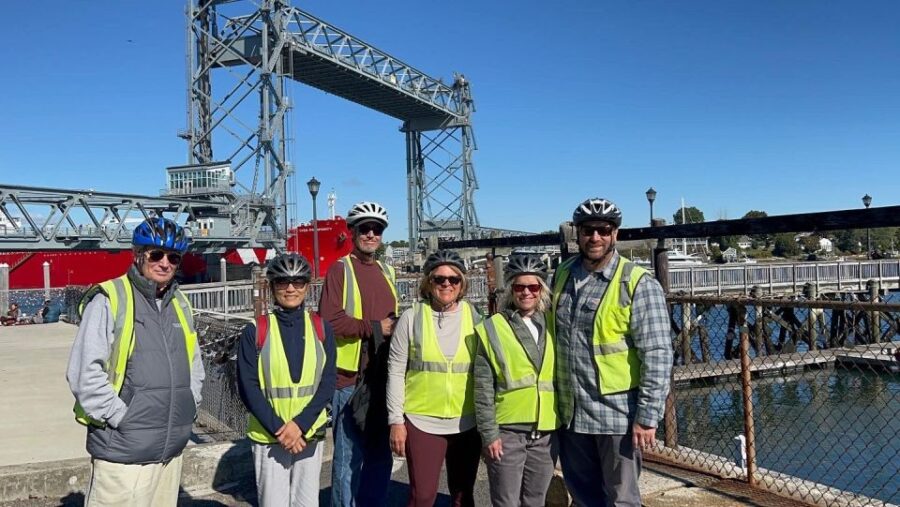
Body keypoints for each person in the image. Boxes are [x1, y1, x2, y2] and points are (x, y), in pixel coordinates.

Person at [66, 217, 204, 507]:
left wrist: (189, 405)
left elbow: (194, 365)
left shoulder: (180, 304)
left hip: (170, 453)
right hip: (123, 454)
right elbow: (84, 373)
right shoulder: (109, 298)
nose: (165, 263)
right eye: (156, 254)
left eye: (174, 257)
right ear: (138, 254)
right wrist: (121, 417)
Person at [550, 198, 673, 507]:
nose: (595, 237)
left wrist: (647, 416)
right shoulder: (562, 274)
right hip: (571, 412)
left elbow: (657, 354)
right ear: (576, 233)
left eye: (603, 230)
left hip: (616, 415)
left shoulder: (637, 283)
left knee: (622, 499)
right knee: (582, 497)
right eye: (588, 230)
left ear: (614, 234)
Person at [237, 252, 336, 506]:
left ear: (307, 286)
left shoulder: (322, 328)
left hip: (307, 433)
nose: (290, 288)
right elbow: (248, 387)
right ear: (272, 287)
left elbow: (327, 382)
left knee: (307, 503)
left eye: (298, 282)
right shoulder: (255, 330)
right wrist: (283, 430)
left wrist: (300, 425)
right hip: (271, 435)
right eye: (282, 282)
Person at [387, 250, 482, 507]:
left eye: (454, 279)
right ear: (428, 282)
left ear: (462, 283)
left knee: (463, 497)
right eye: (439, 279)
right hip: (422, 421)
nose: (447, 284)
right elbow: (395, 370)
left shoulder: (475, 317)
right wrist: (396, 421)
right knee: (423, 497)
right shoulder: (412, 317)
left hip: (467, 420)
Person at [318, 201, 398, 506]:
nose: (371, 234)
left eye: (376, 229)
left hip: (383, 378)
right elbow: (330, 321)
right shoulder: (340, 270)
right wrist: (376, 327)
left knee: (381, 456)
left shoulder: (387, 271)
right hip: (349, 379)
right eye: (364, 228)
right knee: (347, 459)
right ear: (352, 232)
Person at [474, 253, 559, 507]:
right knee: (506, 501)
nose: (526, 293)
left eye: (533, 287)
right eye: (519, 287)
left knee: (535, 500)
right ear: (511, 290)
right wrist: (489, 434)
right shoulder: (493, 327)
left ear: (541, 289)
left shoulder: (553, 323)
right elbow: (482, 387)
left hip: (545, 432)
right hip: (507, 432)